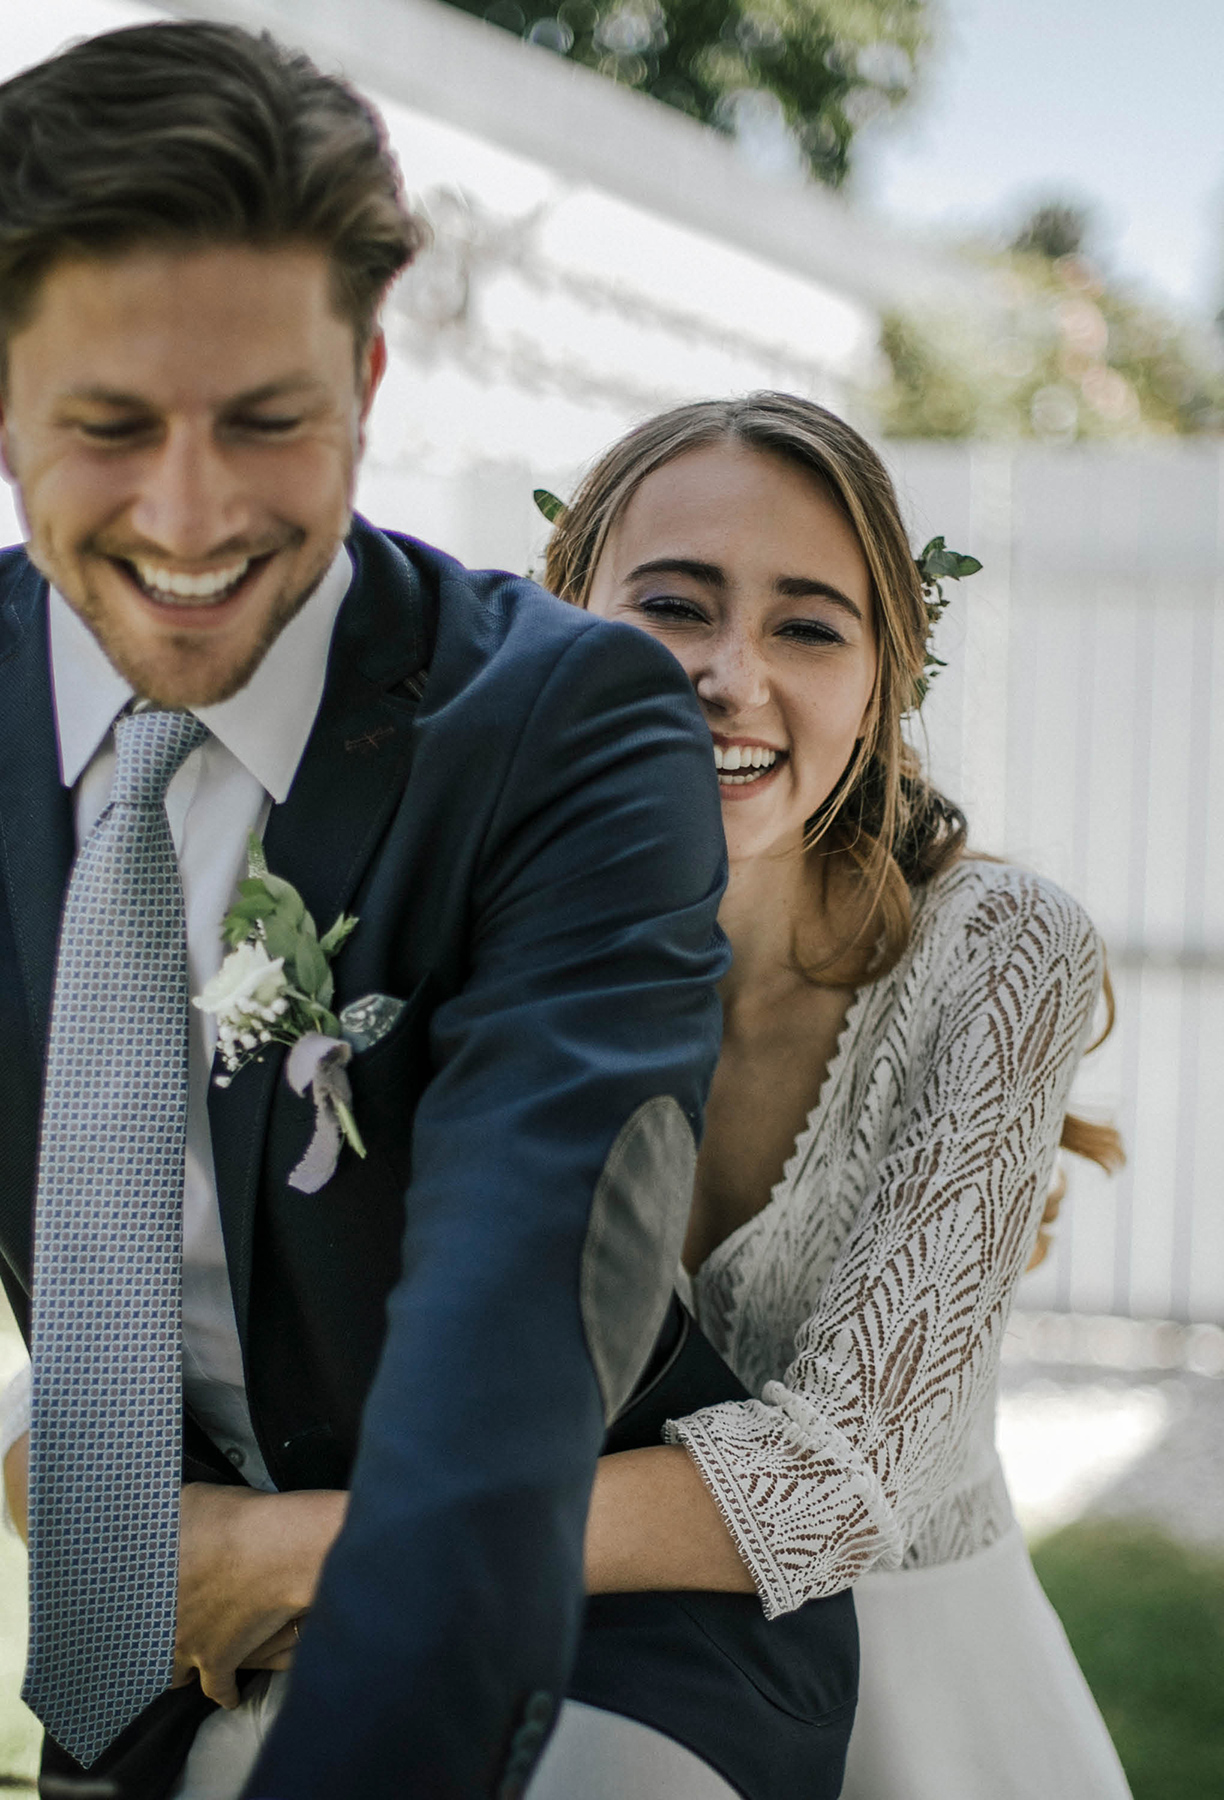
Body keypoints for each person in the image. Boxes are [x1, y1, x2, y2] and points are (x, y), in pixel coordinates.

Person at [0, 26, 862, 1800]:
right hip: (153, 1641)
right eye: (109, 426)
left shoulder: (571, 729)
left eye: (269, 421)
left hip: (586, 1636)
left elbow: (514, 1352)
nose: (191, 513)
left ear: (366, 378)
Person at [543, 393, 1133, 1800]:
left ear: (886, 681)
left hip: (918, 1711)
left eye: (809, 624)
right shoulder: (481, 955)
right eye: (673, 605)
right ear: (558, 631)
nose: (730, 674)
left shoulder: (998, 955)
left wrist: (330, 1553)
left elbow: (834, 1486)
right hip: (589, 1702)